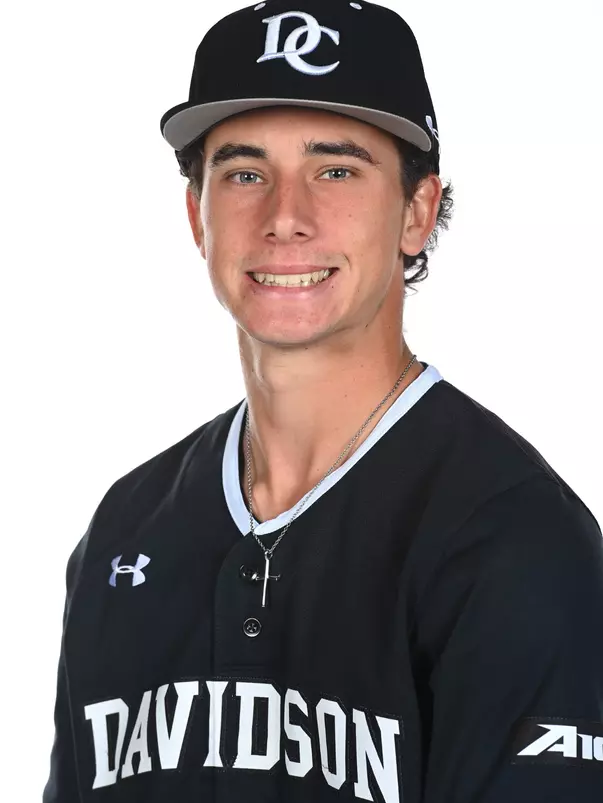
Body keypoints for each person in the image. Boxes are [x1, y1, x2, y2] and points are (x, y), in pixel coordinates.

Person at [43, 1, 603, 801]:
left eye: (335, 169)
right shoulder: (126, 528)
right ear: (196, 215)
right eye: (243, 172)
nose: (285, 218)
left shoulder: (512, 536)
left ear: (415, 211)